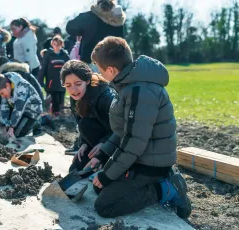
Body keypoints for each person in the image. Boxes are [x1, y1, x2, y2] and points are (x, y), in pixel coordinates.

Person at [86, 36, 191, 219]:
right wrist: (103, 155)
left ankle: (166, 188)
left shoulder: (140, 91)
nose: (98, 72)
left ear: (111, 70)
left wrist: (107, 174)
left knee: (105, 206)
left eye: (98, 68)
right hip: (141, 158)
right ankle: (162, 180)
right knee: (98, 186)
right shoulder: (127, 86)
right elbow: (123, 132)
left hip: (150, 164)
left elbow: (134, 141)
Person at [60, 60, 116, 171]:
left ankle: (105, 161)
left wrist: (104, 144)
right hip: (96, 140)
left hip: (114, 141)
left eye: (78, 84)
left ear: (88, 81)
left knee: (85, 124)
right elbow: (81, 121)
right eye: (68, 85)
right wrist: (84, 143)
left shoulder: (106, 97)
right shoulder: (75, 97)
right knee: (75, 169)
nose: (73, 90)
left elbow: (121, 129)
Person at [66, 0, 126, 71]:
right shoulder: (118, 18)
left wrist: (82, 30)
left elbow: (70, 27)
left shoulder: (89, 16)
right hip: (114, 64)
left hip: (91, 61)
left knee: (93, 81)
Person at [0, 72, 43, 138]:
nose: (2, 96)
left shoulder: (22, 87)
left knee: (16, 134)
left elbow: (19, 109)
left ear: (7, 85)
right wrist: (3, 125)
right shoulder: (4, 83)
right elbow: (4, 107)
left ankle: (37, 122)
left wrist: (11, 127)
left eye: (2, 93)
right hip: (15, 107)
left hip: (31, 111)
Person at [38, 35, 70, 117]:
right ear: (52, 44)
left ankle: (59, 112)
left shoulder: (65, 55)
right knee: (54, 97)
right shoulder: (48, 55)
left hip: (62, 81)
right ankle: (55, 113)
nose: (56, 46)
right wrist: (40, 80)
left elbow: (69, 66)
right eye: (55, 44)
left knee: (61, 97)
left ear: (61, 44)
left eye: (58, 44)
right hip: (51, 82)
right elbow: (43, 68)